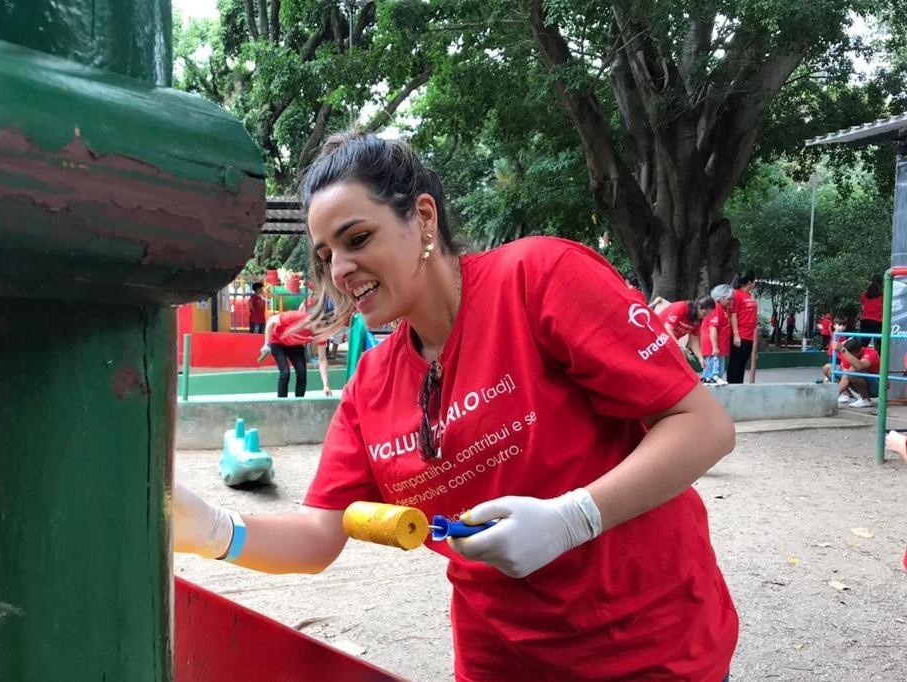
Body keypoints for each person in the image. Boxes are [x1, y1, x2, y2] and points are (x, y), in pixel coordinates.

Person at [173, 132, 737, 681]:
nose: (340, 269)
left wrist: (573, 518)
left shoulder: (538, 279)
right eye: (326, 254)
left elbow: (702, 426)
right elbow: (319, 536)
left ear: (422, 218)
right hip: (500, 663)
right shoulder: (371, 384)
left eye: (357, 238)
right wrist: (216, 531)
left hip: (653, 653)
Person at [261, 310, 331, 398]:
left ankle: (299, 400)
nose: (317, 330)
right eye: (317, 326)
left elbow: (322, 359)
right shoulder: (294, 317)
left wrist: (325, 385)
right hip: (278, 342)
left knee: (302, 373)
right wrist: (266, 344)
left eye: (321, 327)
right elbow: (271, 320)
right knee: (285, 373)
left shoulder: (320, 334)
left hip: (295, 346)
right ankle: (282, 403)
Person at [657, 295, 716, 369]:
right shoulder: (681, 307)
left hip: (668, 342)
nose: (704, 317)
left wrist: (700, 357)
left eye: (707, 315)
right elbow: (668, 329)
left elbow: (693, 339)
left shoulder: (698, 319)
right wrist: (680, 347)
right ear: (699, 307)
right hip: (655, 336)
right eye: (704, 313)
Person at [727, 271, 758, 384]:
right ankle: (733, 386)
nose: (755, 282)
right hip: (741, 333)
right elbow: (733, 315)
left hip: (750, 335)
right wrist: (736, 335)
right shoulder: (736, 294)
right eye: (754, 280)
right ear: (749, 282)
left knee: (742, 363)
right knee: (736, 362)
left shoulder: (749, 295)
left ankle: (739, 386)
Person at [700, 284, 734, 385]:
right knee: (711, 375)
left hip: (719, 348)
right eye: (729, 299)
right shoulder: (716, 308)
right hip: (714, 348)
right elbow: (713, 328)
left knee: (717, 374)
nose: (731, 302)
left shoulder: (722, 309)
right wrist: (715, 347)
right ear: (721, 298)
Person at [832, 337, 879, 408]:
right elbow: (845, 378)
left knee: (853, 371)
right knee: (829, 368)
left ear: (859, 352)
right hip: (858, 382)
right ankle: (848, 396)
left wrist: (843, 350)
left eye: (851, 354)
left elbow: (860, 366)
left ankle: (865, 399)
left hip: (876, 386)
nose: (848, 356)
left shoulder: (871, 353)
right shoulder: (846, 354)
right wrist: (832, 397)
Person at [860, 274, 884, 352]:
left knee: (863, 344)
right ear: (882, 283)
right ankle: (881, 362)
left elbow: (863, 307)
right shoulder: (883, 295)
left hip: (865, 321)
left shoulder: (864, 294)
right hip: (878, 321)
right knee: (881, 343)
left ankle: (858, 361)